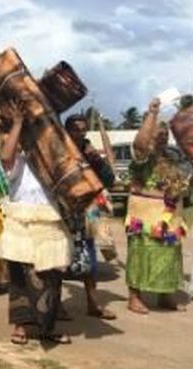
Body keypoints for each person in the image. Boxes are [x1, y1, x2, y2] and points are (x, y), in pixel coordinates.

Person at [0, 99, 72, 345]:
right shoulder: (20, 160)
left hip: (50, 223)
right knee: (20, 279)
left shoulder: (58, 163)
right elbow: (5, 156)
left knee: (50, 278)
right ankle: (20, 326)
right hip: (22, 224)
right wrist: (18, 123)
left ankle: (46, 329)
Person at [125, 98, 189, 314]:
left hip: (169, 215)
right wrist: (152, 113)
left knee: (169, 253)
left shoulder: (172, 157)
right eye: (157, 134)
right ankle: (134, 297)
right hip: (144, 214)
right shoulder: (142, 157)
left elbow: (183, 183)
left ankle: (165, 294)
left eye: (165, 134)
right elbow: (140, 145)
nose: (162, 137)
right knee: (141, 253)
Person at [63, 114, 116, 320]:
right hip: (64, 207)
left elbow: (109, 180)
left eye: (84, 129)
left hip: (88, 209)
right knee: (60, 255)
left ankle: (93, 303)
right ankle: (56, 306)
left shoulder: (90, 151)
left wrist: (96, 160)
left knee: (89, 254)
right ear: (67, 131)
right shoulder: (60, 150)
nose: (81, 133)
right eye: (76, 129)